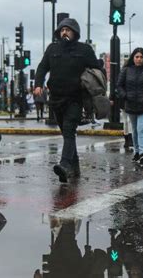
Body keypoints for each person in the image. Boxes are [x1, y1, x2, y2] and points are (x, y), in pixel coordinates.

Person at [34, 18, 99, 182]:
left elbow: (97, 69)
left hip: (75, 98)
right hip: (56, 98)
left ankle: (65, 165)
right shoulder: (52, 48)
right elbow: (42, 67)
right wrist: (38, 84)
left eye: (68, 29)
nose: (64, 32)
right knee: (67, 134)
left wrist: (94, 87)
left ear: (75, 32)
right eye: (62, 29)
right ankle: (75, 167)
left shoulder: (84, 50)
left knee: (69, 130)